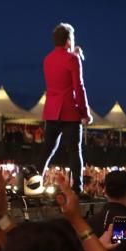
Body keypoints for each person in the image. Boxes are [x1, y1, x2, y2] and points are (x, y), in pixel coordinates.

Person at [40, 22, 91, 192]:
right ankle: (77, 188)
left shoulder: (47, 60)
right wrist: (85, 112)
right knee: (74, 152)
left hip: (51, 111)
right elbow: (79, 87)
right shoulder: (73, 59)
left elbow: (60, 69)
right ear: (69, 40)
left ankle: (32, 181)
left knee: (47, 151)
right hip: (69, 111)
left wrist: (72, 54)